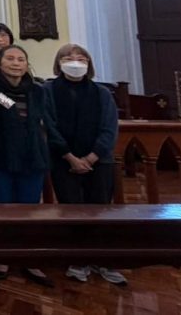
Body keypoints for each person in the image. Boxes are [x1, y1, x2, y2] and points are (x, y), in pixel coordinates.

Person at [0, 45, 67, 287]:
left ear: (26, 64)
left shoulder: (38, 90)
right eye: (10, 58)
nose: (16, 63)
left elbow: (46, 120)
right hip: (1, 155)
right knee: (2, 208)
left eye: (21, 59)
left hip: (32, 156)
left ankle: (29, 257)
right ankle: (2, 256)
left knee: (29, 208)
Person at [48, 44, 127, 287]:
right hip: (63, 159)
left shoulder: (102, 92)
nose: (75, 62)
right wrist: (69, 156)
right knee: (72, 209)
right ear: (59, 63)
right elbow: (48, 125)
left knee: (100, 208)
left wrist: (92, 157)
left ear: (89, 63)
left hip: (99, 161)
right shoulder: (48, 90)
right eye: (68, 58)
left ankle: (103, 260)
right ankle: (78, 259)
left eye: (81, 58)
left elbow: (109, 128)